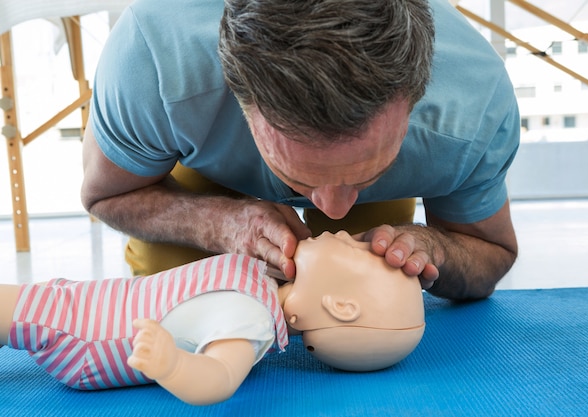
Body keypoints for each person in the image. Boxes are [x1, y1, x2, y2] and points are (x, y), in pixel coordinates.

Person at [81, 0, 520, 301]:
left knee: (368, 288)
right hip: (206, 157)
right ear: (239, 98)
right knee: (174, 287)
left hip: (424, 149)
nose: (332, 211)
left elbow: (490, 253)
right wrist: (219, 224)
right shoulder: (155, 56)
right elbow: (106, 194)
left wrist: (436, 247)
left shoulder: (475, 107)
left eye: (363, 174)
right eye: (302, 176)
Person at [0, 231, 425, 405]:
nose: (349, 234)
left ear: (341, 307)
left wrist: (173, 363)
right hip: (86, 299)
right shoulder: (263, 281)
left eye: (353, 247)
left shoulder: (252, 318)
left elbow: (220, 378)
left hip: (86, 336)